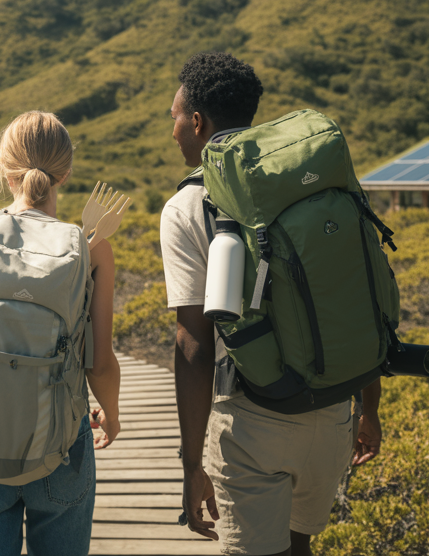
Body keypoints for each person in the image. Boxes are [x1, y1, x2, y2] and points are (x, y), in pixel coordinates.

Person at [162, 53, 384, 556]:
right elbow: (353, 298)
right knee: (298, 547)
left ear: (197, 123)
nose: (172, 130)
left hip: (250, 416)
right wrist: (368, 410)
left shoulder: (186, 206)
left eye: (174, 118)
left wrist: (192, 464)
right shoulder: (313, 187)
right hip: (332, 410)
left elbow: (194, 343)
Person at [0, 111, 121, 556]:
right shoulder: (91, 247)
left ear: (4, 169)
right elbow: (98, 362)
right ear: (66, 173)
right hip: (60, 443)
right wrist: (110, 414)